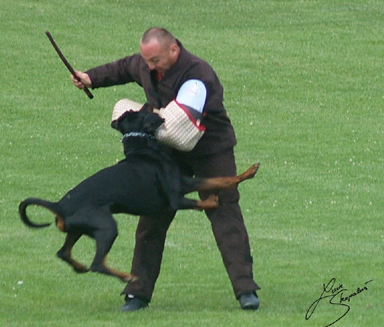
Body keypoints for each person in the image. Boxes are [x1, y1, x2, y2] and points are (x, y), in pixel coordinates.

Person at [71, 27, 260, 311]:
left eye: (155, 61)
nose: (149, 66)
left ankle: (246, 290)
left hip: (209, 147)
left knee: (224, 212)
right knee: (152, 216)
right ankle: (137, 293)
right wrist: (91, 78)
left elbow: (186, 123)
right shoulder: (146, 63)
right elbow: (124, 67)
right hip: (167, 150)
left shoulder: (199, 75)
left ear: (174, 50)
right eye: (147, 60)